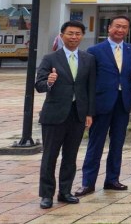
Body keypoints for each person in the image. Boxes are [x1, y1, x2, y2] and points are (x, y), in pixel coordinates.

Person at [35, 21, 96, 209]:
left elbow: (90, 88)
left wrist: (89, 113)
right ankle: (46, 195)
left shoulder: (88, 59)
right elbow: (39, 85)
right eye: (70, 33)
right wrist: (50, 82)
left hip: (77, 115)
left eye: (78, 34)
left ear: (82, 36)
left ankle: (65, 191)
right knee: (50, 156)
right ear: (62, 35)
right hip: (54, 115)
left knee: (70, 156)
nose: (74, 37)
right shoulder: (50, 58)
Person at [77, 16, 131, 196]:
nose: (120, 30)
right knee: (95, 144)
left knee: (118, 143)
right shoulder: (95, 50)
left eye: (124, 27)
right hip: (101, 103)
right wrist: (89, 107)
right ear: (109, 27)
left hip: (123, 103)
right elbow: (88, 79)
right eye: (117, 26)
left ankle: (112, 179)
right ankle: (88, 183)